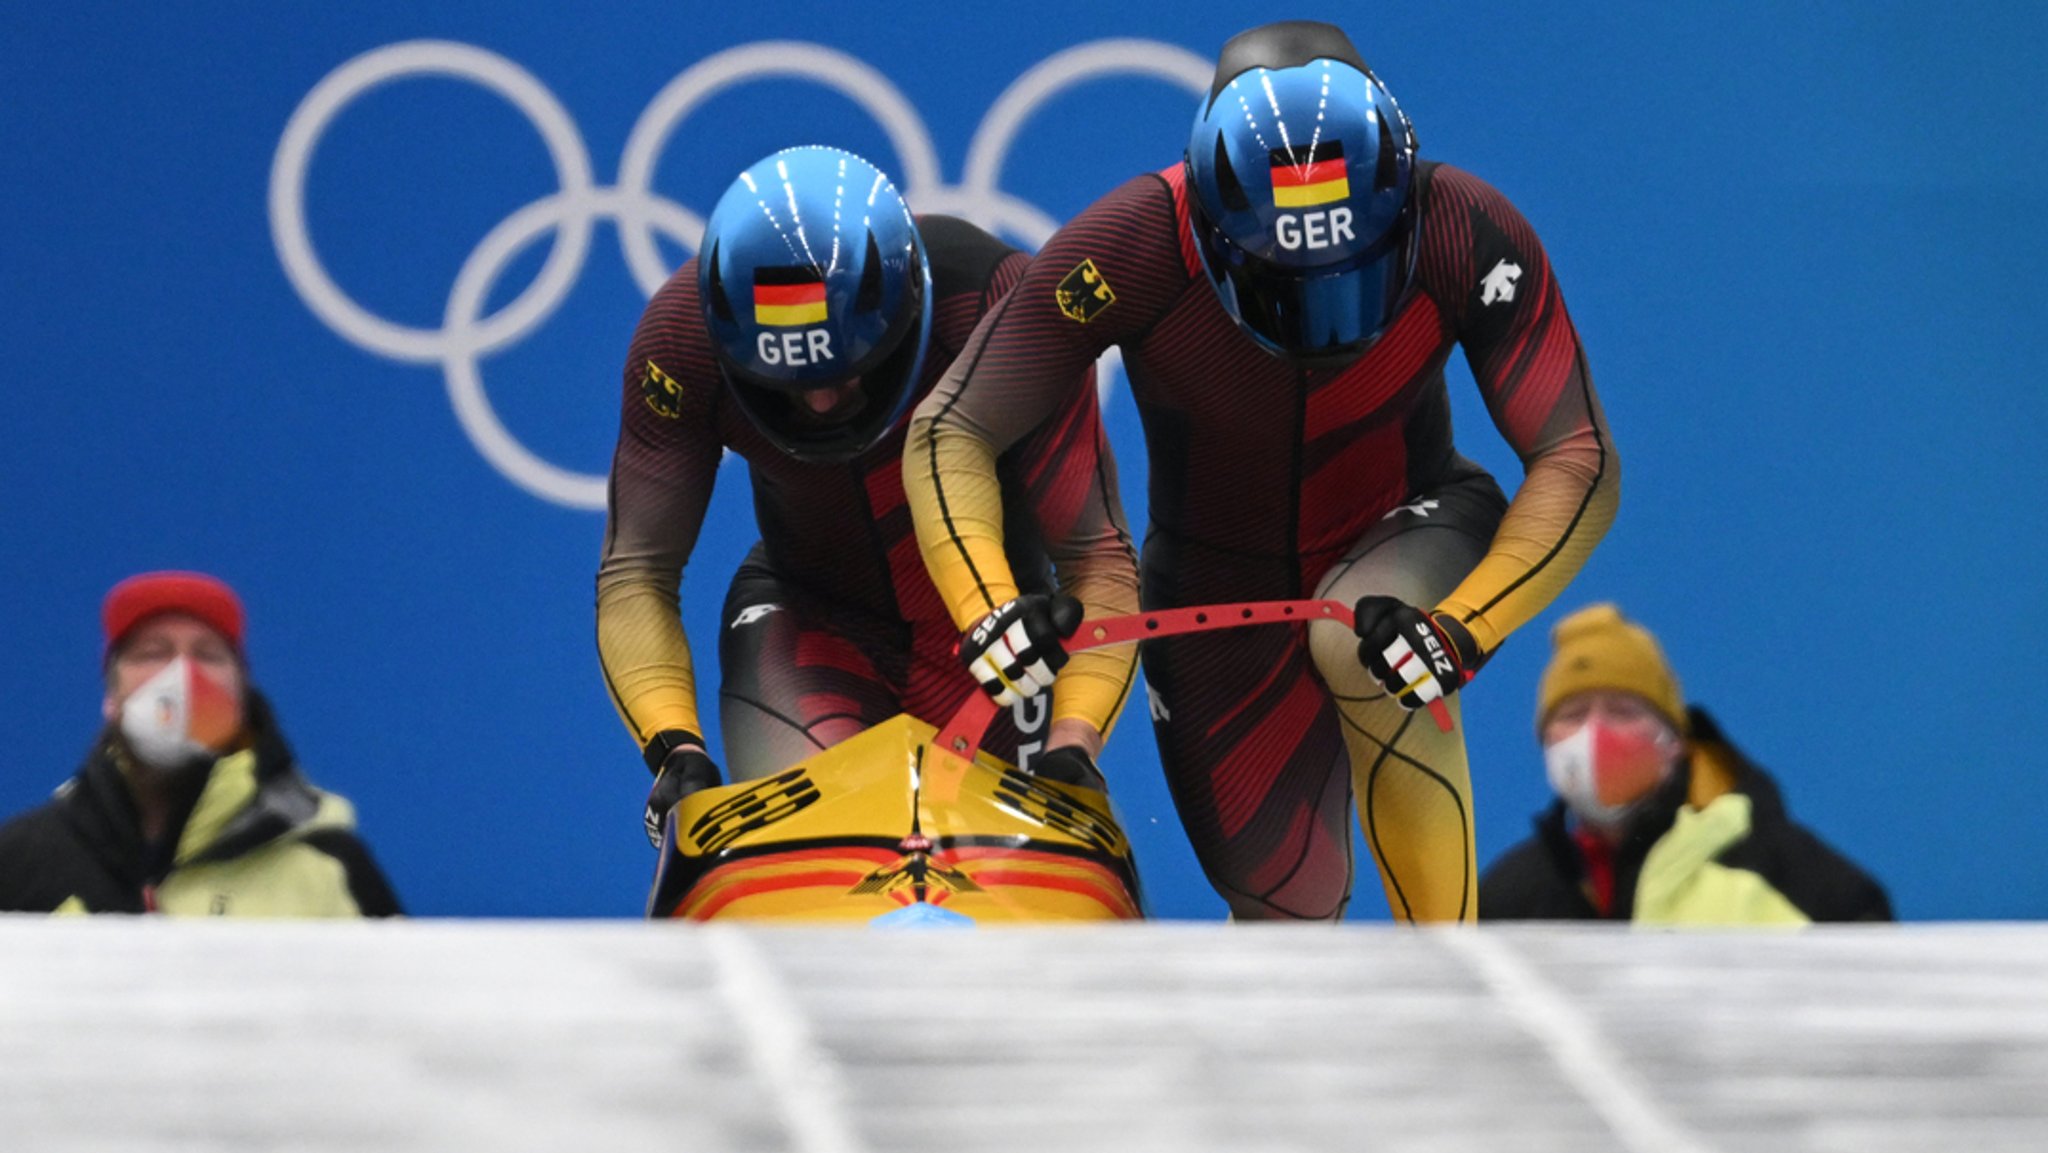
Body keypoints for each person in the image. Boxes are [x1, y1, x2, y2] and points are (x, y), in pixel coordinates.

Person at [905, 21, 1618, 922]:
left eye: (1354, 273)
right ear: (1210, 225)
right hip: (1211, 578)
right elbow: (953, 428)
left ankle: (1454, 968)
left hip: (1408, 523)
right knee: (1282, 902)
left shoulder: (1463, 226)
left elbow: (1575, 453)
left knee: (1369, 642)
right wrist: (988, 604)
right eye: (1287, 278)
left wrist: (1463, 627)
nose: (1323, 312)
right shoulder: (1133, 243)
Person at [597, 146, 1138, 848]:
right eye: (786, 381)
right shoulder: (681, 344)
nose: (822, 401)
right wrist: (676, 750)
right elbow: (637, 568)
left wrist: (1073, 741)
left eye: (851, 370)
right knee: (830, 856)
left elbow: (1096, 556)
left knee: (1005, 916)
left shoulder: (995, 303)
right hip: (807, 623)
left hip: (998, 637)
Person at [0, 571, 402, 916]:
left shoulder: (326, 862)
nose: (181, 676)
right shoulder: (21, 861)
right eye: (152, 653)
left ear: (241, 693)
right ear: (111, 696)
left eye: (208, 655)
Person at [1480, 604, 1892, 924]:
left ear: (1674, 740)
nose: (1596, 734)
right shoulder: (1506, 897)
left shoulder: (1788, 876)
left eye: (1623, 711)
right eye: (1573, 714)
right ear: (1545, 740)